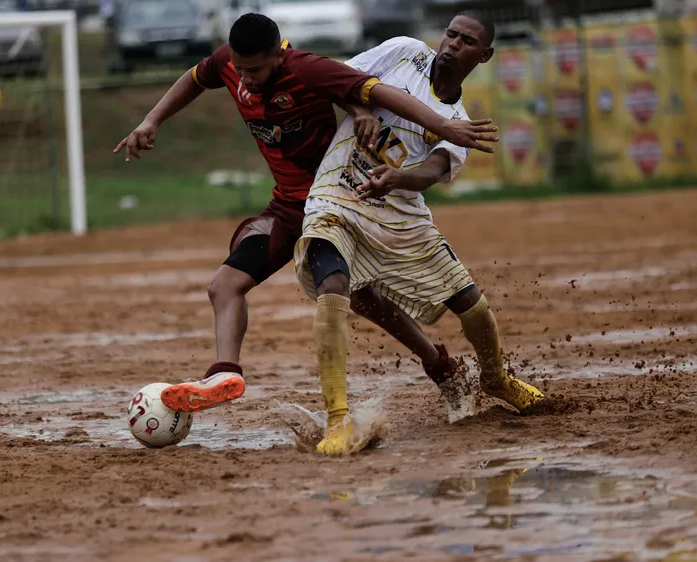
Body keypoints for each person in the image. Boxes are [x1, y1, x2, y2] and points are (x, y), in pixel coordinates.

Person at [113, 14, 500, 414]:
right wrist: (151, 120)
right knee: (224, 286)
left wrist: (424, 123)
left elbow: (367, 89)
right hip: (288, 205)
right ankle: (225, 372)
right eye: (239, 70)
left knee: (358, 295)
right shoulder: (230, 63)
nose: (244, 79)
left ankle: (432, 370)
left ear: (277, 57)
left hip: (338, 201)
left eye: (255, 70)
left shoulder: (305, 68)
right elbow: (195, 78)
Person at [293, 11, 546, 456]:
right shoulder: (403, 51)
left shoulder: (457, 118)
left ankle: (496, 380)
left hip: (401, 215)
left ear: (483, 56)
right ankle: (338, 419)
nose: (452, 44)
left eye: (466, 41)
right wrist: (358, 109)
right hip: (337, 195)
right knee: (335, 287)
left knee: (472, 306)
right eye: (450, 33)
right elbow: (339, 80)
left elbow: (432, 171)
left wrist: (397, 178)